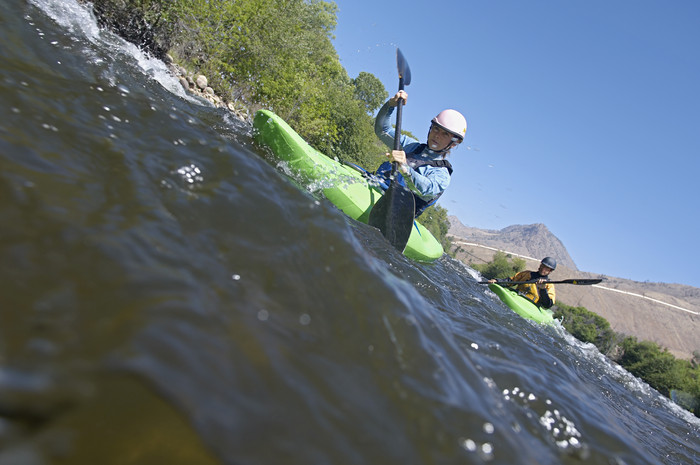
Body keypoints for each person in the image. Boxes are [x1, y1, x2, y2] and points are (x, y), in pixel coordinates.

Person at [374, 90, 467, 217]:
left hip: (395, 213)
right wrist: (391, 105)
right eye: (436, 129)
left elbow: (426, 189)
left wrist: (405, 167)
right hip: (374, 186)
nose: (437, 135)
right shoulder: (411, 146)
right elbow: (382, 130)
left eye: (445, 134)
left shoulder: (442, 174)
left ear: (454, 143)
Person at [488, 257, 557, 309]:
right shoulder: (526, 274)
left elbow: (548, 304)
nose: (543, 269)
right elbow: (510, 281)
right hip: (517, 297)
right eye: (543, 266)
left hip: (531, 306)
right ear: (540, 265)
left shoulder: (549, 285)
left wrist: (542, 289)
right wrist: (497, 281)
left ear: (550, 271)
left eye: (546, 268)